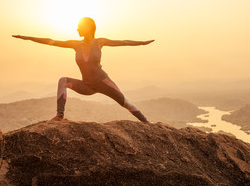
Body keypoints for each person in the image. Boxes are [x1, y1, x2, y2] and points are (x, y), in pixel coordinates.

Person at [13, 17, 153, 123]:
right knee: (63, 81)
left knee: (126, 103)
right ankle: (59, 115)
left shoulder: (100, 42)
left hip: (103, 82)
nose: (77, 30)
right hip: (87, 85)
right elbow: (51, 41)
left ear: (88, 27)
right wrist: (27, 38)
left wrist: (143, 43)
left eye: (79, 27)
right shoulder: (75, 44)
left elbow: (124, 42)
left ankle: (147, 123)